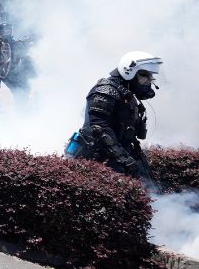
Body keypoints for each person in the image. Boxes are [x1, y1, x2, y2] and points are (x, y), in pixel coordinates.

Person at [68, 51, 162, 181]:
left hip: (115, 158)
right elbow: (100, 129)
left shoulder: (126, 93)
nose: (148, 81)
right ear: (129, 71)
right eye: (145, 75)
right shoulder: (105, 90)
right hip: (97, 160)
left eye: (150, 76)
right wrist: (124, 159)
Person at [0, 23, 35, 105]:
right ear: (1, 31)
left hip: (16, 72)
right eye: (5, 30)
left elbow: (23, 52)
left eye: (9, 30)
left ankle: (21, 109)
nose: (7, 32)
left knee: (24, 89)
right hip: (5, 73)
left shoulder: (16, 43)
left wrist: (28, 42)